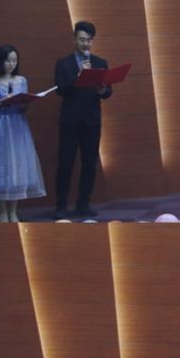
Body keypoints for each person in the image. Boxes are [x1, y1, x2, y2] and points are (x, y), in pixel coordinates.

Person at [0, 44, 46, 222]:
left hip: (18, 126)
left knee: (18, 167)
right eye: (8, 60)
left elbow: (23, 108)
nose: (11, 64)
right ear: (0, 61)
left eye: (14, 61)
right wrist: (2, 101)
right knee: (0, 168)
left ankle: (13, 210)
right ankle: (2, 210)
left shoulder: (21, 80)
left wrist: (26, 103)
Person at [53, 20, 111, 220]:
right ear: (74, 39)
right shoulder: (63, 63)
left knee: (89, 163)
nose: (85, 44)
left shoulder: (100, 63)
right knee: (65, 163)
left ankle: (83, 204)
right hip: (70, 121)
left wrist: (102, 89)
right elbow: (60, 90)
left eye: (89, 40)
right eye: (82, 39)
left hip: (92, 121)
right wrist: (78, 77)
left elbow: (108, 92)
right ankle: (61, 205)